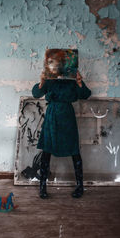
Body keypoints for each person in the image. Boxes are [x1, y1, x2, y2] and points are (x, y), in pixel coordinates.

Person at [31, 50, 91, 199]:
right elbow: (36, 94)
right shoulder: (50, 80)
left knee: (74, 150)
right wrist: (42, 81)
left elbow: (86, 94)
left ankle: (80, 186)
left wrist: (78, 81)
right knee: (47, 151)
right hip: (52, 116)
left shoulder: (72, 80)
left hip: (67, 117)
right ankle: (42, 187)